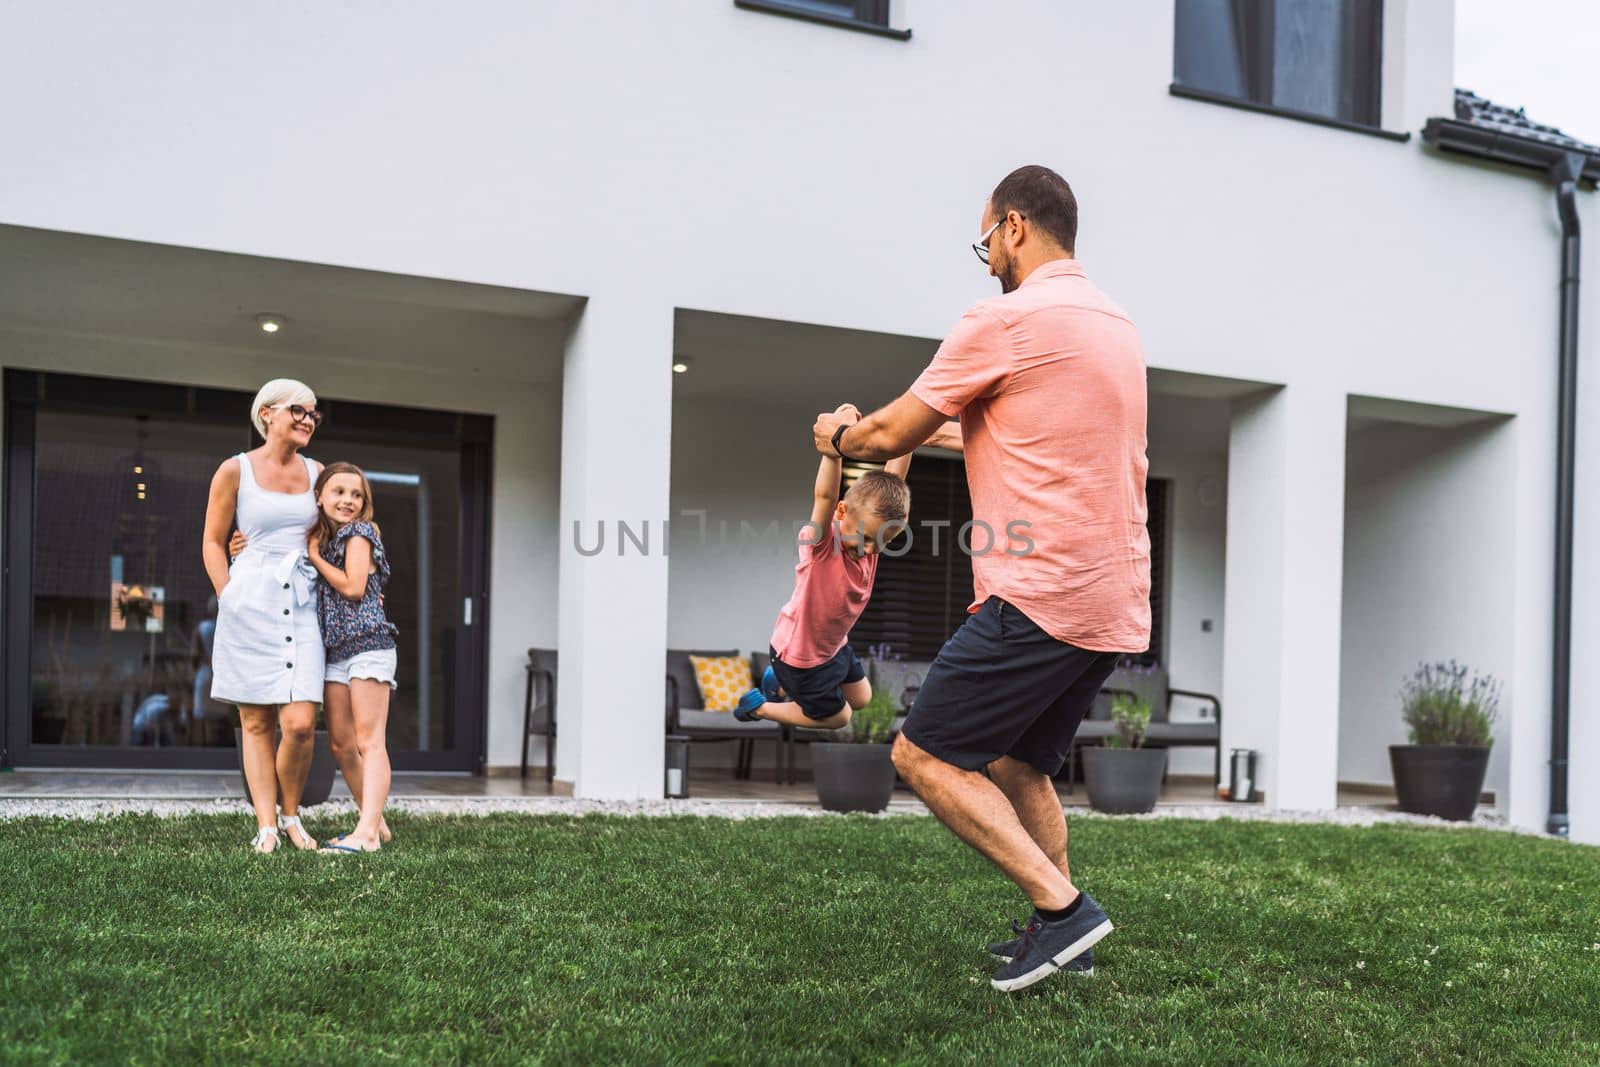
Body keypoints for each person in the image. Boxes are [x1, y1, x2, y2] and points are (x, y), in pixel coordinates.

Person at [810, 165, 1151, 992]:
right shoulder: (1114, 326)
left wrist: (840, 432)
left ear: (1015, 227)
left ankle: (1065, 908)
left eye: (986, 239)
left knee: (920, 753)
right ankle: (1059, 932)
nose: (987, 257)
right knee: (1015, 762)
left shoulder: (1006, 318)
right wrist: (914, 438)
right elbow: (1008, 438)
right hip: (1114, 597)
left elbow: (889, 426)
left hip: (1040, 591)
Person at [203, 379, 326, 854]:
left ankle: (291, 813)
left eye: (314, 414)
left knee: (298, 722)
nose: (308, 419)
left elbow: (344, 523)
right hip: (249, 599)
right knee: (255, 722)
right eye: (299, 410)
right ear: (267, 413)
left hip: (303, 602)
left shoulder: (318, 472)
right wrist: (228, 595)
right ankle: (267, 825)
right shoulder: (234, 470)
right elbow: (214, 542)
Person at [732, 405, 911, 729]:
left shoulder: (868, 541)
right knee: (839, 716)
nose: (871, 550)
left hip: (832, 647)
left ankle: (780, 683)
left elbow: (894, 478)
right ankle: (759, 707)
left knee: (862, 698)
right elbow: (824, 496)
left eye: (882, 542)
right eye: (867, 539)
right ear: (842, 513)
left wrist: (910, 434)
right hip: (801, 659)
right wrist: (834, 447)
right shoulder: (823, 546)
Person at [306, 462, 399, 855]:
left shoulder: (359, 534)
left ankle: (367, 834)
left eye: (356, 494)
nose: (348, 500)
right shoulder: (327, 539)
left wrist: (314, 557)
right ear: (320, 497)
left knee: (369, 741)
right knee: (341, 744)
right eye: (339, 492)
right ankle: (376, 822)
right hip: (338, 652)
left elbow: (355, 587)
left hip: (369, 645)